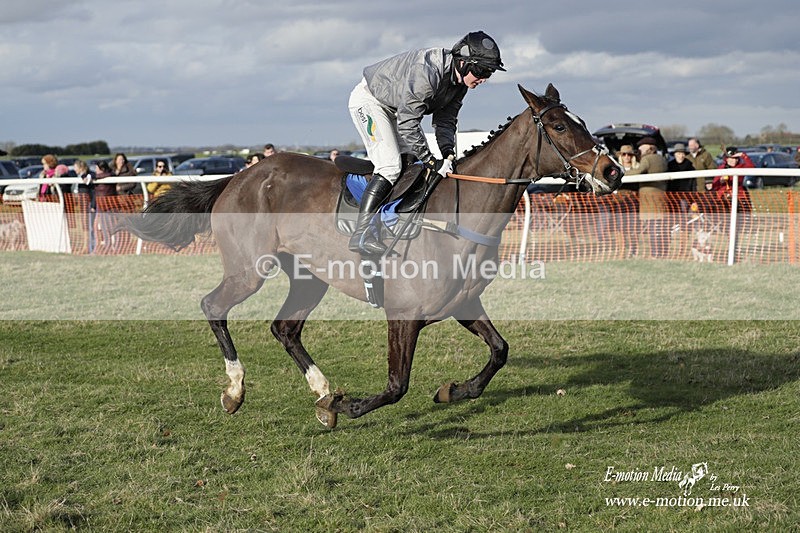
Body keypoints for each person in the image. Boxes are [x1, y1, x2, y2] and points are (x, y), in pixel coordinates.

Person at [347, 30, 505, 255]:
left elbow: (446, 120)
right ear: (463, 63)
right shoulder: (428, 74)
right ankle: (361, 234)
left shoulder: (458, 84)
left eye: (488, 72)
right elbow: (409, 122)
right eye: (481, 70)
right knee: (391, 166)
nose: (485, 78)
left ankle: (388, 221)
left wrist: (447, 151)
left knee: (411, 164)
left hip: (396, 109)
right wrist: (431, 160)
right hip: (370, 101)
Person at [626, 137, 669, 258]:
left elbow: (638, 171)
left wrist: (621, 172)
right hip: (661, 197)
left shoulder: (647, 159)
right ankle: (662, 253)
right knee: (660, 229)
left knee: (652, 229)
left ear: (649, 148)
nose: (640, 150)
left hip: (649, 200)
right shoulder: (662, 159)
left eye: (642, 148)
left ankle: (655, 253)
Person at [74, 160, 97, 253]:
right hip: (82, 204)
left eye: (75, 167)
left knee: (90, 226)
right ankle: (86, 245)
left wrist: (93, 205)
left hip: (89, 204)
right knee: (84, 226)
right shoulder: (80, 176)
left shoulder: (90, 174)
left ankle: (91, 246)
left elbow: (93, 191)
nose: (74, 169)